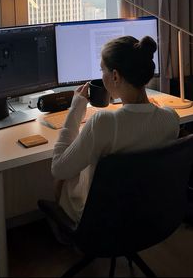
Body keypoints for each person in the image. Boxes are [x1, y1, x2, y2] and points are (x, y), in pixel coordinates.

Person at [51, 35, 180, 225]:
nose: (101, 76)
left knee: (62, 178)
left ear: (116, 76)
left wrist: (76, 109)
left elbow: (58, 168)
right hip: (147, 214)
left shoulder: (104, 123)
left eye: (102, 70)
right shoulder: (171, 119)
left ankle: (69, 237)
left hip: (99, 218)